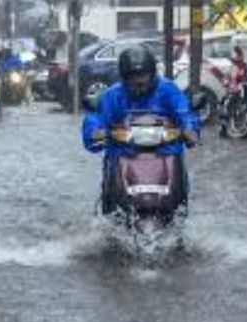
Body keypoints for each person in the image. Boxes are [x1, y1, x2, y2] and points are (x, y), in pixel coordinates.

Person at [81, 44, 200, 215]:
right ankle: (110, 207)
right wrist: (97, 132)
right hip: (122, 153)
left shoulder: (169, 90)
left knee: (180, 199)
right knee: (110, 204)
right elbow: (97, 119)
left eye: (143, 77)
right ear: (124, 79)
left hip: (166, 152)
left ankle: (179, 207)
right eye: (133, 79)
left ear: (152, 75)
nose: (139, 83)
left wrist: (189, 130)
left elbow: (185, 113)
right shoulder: (113, 95)